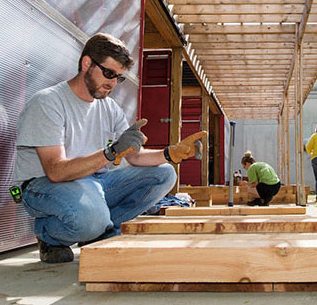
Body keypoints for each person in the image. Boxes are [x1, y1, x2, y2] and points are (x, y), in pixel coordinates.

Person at [13, 33, 205, 263]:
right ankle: (48, 234)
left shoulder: (109, 107)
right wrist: (110, 153)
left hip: (92, 181)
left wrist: (169, 154)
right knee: (90, 218)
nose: (113, 83)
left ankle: (99, 231)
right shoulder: (48, 102)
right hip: (43, 185)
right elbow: (56, 171)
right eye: (109, 73)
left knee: (164, 173)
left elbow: (133, 157)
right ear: (86, 64)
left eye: (119, 78)